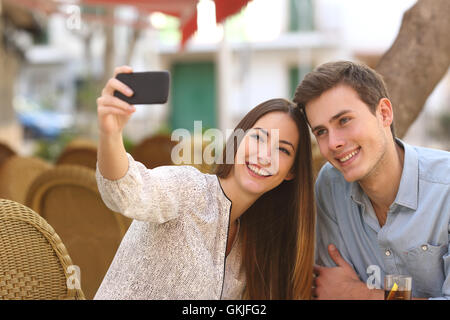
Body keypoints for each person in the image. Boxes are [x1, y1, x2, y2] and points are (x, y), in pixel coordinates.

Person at [94, 65, 315, 299]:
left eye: (282, 149)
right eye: (259, 137)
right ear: (237, 140)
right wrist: (110, 134)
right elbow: (125, 192)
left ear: (291, 171)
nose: (264, 156)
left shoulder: (256, 243)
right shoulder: (188, 189)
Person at [294, 60, 450, 300]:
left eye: (344, 120)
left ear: (384, 113)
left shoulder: (445, 188)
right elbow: (328, 289)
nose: (333, 142)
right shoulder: (330, 185)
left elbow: (341, 293)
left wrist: (361, 295)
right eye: (321, 132)